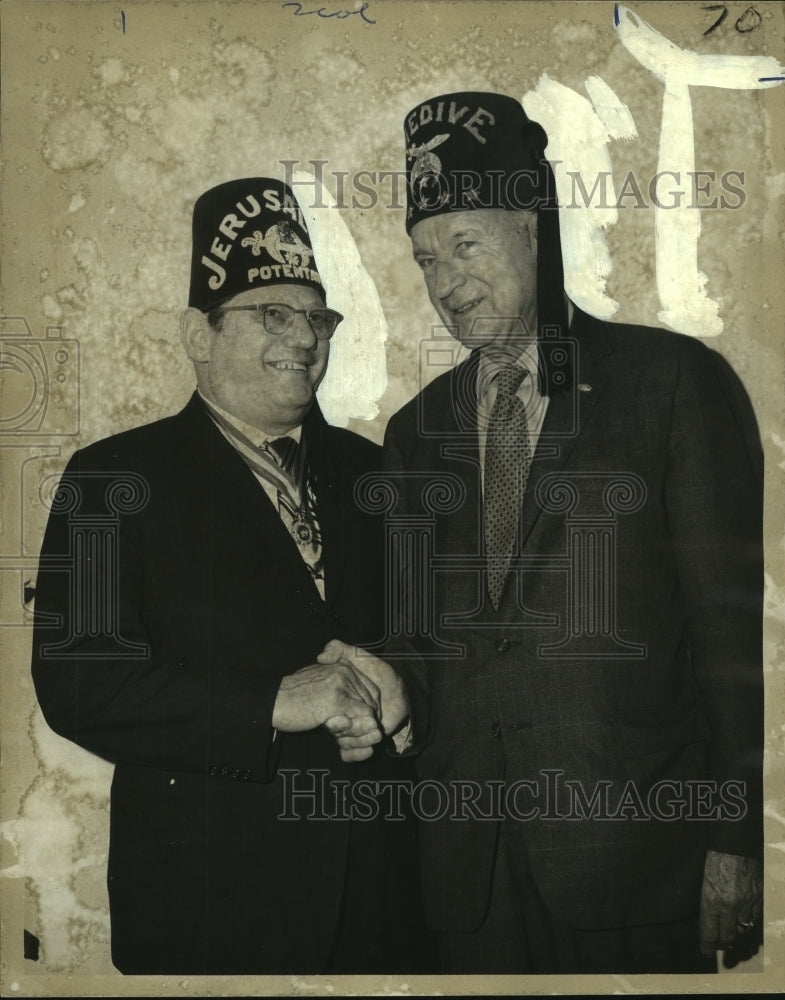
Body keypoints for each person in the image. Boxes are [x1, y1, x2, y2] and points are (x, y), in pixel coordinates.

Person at [329, 91, 764, 974]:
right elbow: (423, 641)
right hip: (466, 873)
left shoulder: (670, 383)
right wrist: (378, 678)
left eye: (465, 245)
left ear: (532, 225)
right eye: (423, 259)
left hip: (635, 861)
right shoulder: (415, 432)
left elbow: (726, 640)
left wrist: (736, 840)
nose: (444, 282)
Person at [30, 177, 427, 975]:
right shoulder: (114, 478)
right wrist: (271, 702)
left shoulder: (380, 471)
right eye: (270, 314)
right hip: (210, 904)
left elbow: (438, 637)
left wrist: (407, 680)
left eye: (317, 317)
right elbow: (78, 682)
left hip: (384, 899)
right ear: (196, 334)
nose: (305, 337)